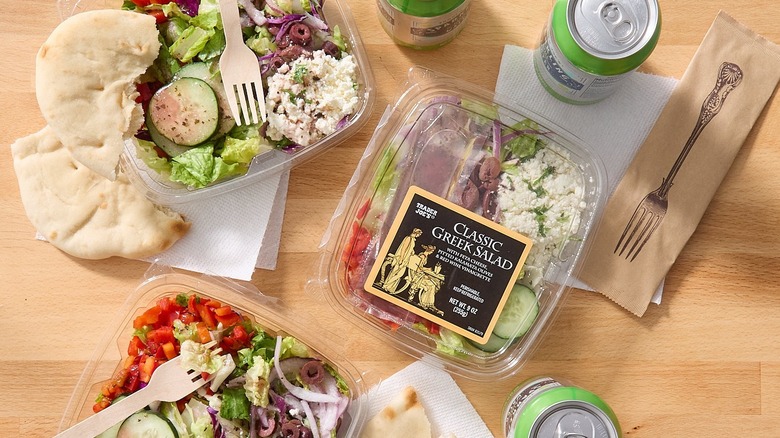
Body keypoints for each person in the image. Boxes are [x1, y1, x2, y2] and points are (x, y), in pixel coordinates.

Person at [382, 228, 422, 294]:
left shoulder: (412, 240)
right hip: (401, 259)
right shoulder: (408, 238)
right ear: (416, 233)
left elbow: (409, 249)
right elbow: (403, 249)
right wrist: (401, 259)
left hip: (406, 259)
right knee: (395, 273)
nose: (419, 236)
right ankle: (386, 285)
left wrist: (412, 251)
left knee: (399, 274)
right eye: (419, 234)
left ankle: (388, 286)